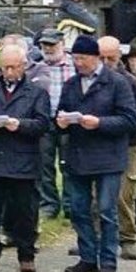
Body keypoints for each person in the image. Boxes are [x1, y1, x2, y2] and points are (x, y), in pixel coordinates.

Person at [57, 35, 136, 272]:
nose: (78, 63)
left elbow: (129, 119)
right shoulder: (71, 84)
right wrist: (61, 122)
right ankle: (87, 258)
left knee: (106, 211)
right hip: (79, 156)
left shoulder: (117, 83)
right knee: (79, 210)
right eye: (75, 58)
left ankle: (108, 262)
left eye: (82, 58)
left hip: (108, 158)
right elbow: (61, 112)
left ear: (95, 58)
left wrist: (100, 123)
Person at [0, 44, 52, 272]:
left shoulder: (36, 92)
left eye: (13, 67)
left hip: (24, 160)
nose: (8, 72)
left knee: (25, 211)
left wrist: (20, 125)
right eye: (4, 67)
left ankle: (26, 255)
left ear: (23, 66)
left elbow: (43, 123)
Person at [97, 35, 136, 261]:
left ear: (119, 55)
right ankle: (95, 238)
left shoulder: (132, 83)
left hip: (126, 143)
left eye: (111, 57)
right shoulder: (89, 81)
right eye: (102, 57)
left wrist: (120, 127)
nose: (107, 61)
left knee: (123, 192)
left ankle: (127, 238)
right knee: (94, 193)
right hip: (96, 143)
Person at [36, 30, 76, 219]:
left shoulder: (74, 63)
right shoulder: (36, 65)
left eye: (52, 44)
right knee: (44, 165)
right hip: (44, 121)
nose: (48, 49)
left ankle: (70, 205)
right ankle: (48, 205)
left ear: (62, 43)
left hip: (69, 122)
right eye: (45, 45)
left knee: (69, 164)